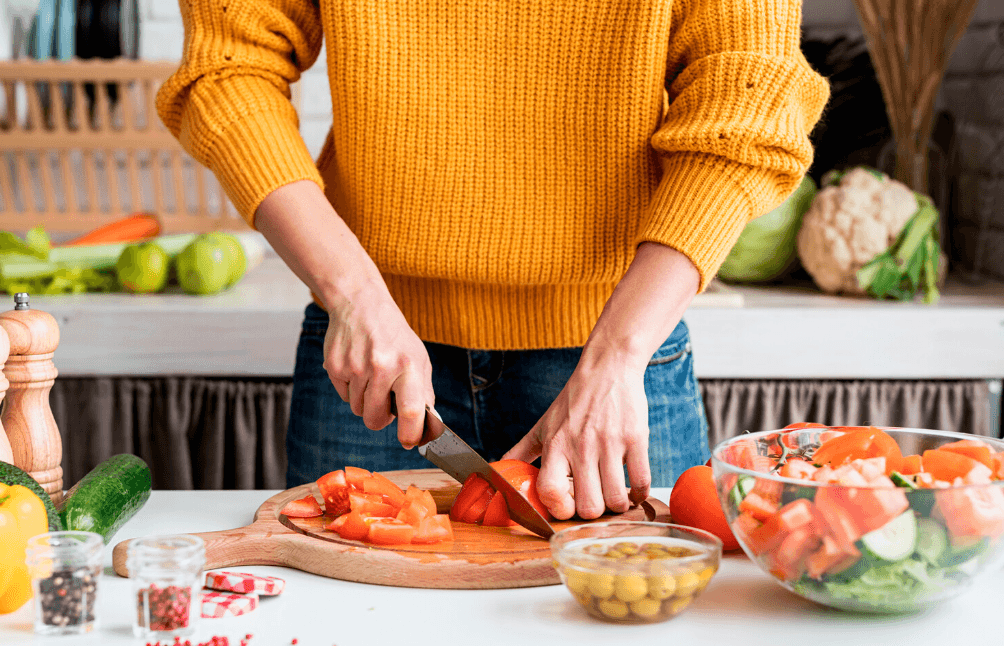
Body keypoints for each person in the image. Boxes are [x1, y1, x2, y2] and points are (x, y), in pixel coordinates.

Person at [157, 0, 828, 520]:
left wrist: (617, 356)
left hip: (614, 362)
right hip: (376, 355)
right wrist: (353, 294)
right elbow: (229, 68)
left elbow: (749, 102)